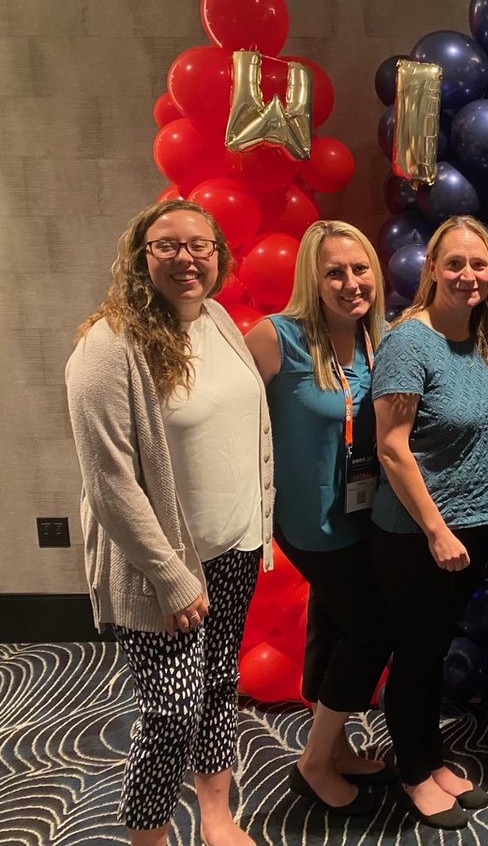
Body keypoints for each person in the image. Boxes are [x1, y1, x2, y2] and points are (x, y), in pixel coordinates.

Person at [65, 200, 273, 846]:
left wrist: (258, 525)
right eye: (167, 246)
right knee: (169, 713)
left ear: (219, 256)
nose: (187, 258)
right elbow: (109, 481)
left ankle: (216, 814)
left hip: (234, 545)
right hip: (162, 569)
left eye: (200, 245)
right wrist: (172, 577)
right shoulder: (108, 345)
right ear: (139, 257)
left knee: (219, 685)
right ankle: (149, 838)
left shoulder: (216, 320)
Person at [244, 220, 394, 814]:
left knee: (333, 625)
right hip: (311, 522)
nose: (351, 283)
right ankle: (312, 762)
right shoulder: (275, 338)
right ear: (313, 277)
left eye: (360, 270)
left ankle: (333, 746)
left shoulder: (377, 340)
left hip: (363, 514)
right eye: (335, 271)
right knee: (371, 629)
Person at [369, 215, 488, 830]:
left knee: (436, 647)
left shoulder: (486, 339)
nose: (467, 275)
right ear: (431, 269)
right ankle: (412, 772)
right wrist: (435, 530)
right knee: (418, 653)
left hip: (472, 523)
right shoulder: (410, 341)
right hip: (416, 532)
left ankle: (429, 754)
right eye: (454, 263)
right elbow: (392, 446)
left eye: (479, 265)